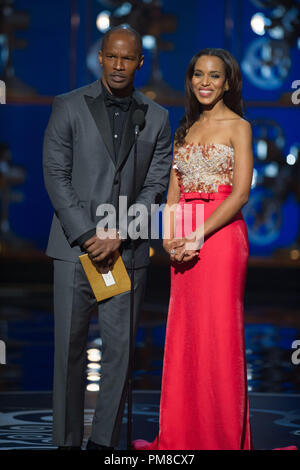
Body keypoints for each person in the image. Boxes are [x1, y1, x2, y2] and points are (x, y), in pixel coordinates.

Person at [131, 48, 297, 450]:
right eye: (198, 75)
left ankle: (221, 438)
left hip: (220, 238)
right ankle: (181, 435)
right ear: (190, 81)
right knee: (184, 335)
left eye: (214, 76)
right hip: (181, 238)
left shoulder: (239, 127)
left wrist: (196, 235)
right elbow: (172, 193)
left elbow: (240, 195)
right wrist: (169, 237)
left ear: (227, 82)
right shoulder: (183, 129)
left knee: (218, 336)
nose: (205, 82)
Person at [43, 25, 172, 450]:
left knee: (119, 357)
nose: (119, 66)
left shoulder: (157, 117)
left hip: (127, 251)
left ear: (140, 62)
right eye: (112, 57)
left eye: (128, 58)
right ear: (101, 57)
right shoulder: (67, 106)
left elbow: (155, 186)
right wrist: (88, 233)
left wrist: (119, 232)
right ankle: (65, 443)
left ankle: (103, 446)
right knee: (68, 353)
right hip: (73, 248)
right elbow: (56, 176)